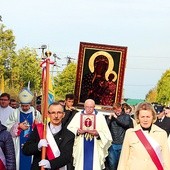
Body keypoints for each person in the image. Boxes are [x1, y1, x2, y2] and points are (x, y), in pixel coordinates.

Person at [22, 102, 75, 170]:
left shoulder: (69, 135)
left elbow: (66, 157)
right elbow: (25, 150)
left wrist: (50, 164)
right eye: (53, 113)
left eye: (59, 112)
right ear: (48, 114)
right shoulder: (39, 130)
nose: (56, 116)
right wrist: (37, 146)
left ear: (63, 114)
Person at [117, 102, 170, 170]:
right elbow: (123, 160)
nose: (145, 120)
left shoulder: (162, 134)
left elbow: (166, 161)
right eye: (142, 117)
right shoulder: (130, 133)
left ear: (153, 117)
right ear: (138, 117)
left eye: (148, 117)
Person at [67, 99, 112, 170]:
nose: (89, 109)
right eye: (87, 107)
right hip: (81, 145)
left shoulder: (100, 116)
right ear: (84, 106)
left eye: (91, 107)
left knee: (94, 165)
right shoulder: (78, 115)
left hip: (96, 146)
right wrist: (78, 131)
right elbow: (70, 128)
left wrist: (98, 133)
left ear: (94, 107)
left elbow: (106, 134)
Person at [6, 88, 42, 170]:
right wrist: (18, 126)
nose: (25, 108)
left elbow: (41, 128)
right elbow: (7, 127)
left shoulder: (36, 113)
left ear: (30, 104)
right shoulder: (15, 112)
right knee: (19, 163)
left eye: (26, 106)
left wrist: (37, 125)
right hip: (18, 142)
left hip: (31, 142)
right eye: (23, 106)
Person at [106, 102, 133, 170]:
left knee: (121, 164)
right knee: (112, 164)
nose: (117, 112)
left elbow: (125, 124)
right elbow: (105, 128)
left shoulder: (126, 116)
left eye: (118, 110)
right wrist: (109, 118)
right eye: (115, 110)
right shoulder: (111, 117)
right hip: (113, 144)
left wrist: (116, 118)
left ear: (121, 108)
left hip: (122, 144)